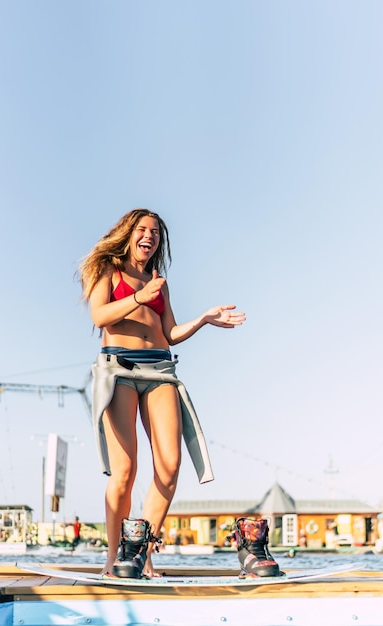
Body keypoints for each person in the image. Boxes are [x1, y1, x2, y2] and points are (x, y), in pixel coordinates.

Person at [78, 208, 245, 578]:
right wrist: (140, 297)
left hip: (161, 370)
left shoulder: (159, 281)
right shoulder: (109, 269)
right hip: (118, 369)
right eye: (142, 229)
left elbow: (169, 333)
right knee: (124, 471)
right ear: (128, 233)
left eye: (155, 232)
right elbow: (100, 316)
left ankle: (140, 552)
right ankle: (113, 558)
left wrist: (202, 319)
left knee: (169, 467)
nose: (149, 236)